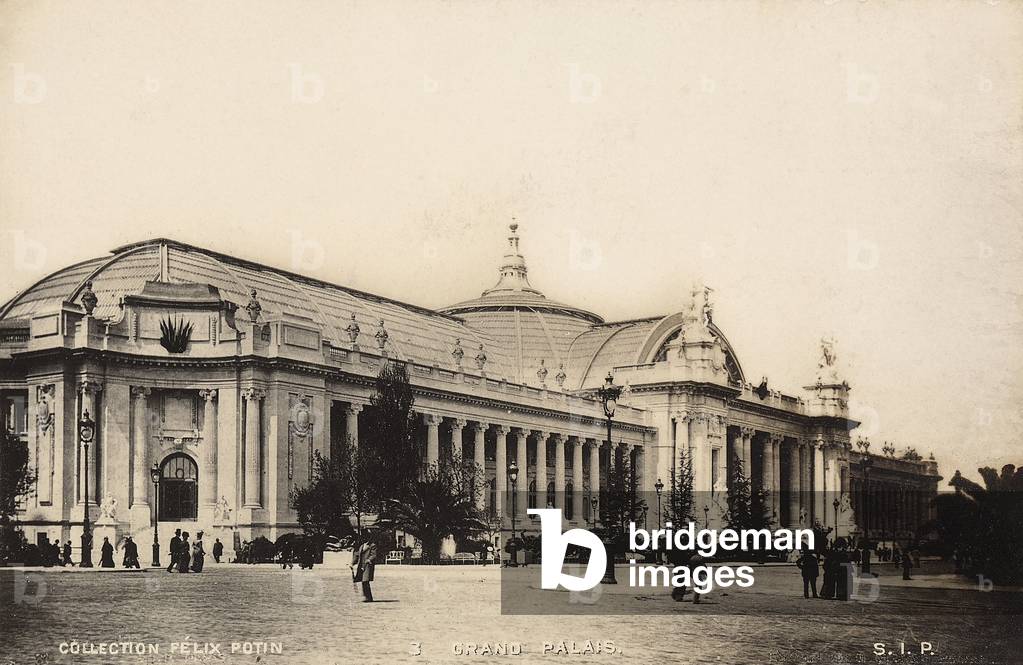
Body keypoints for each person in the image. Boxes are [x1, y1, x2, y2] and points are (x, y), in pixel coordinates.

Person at [352, 532, 378, 602]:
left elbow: (374, 555)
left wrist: (369, 559)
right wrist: (352, 563)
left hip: (368, 565)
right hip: (361, 565)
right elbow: (357, 555)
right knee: (363, 581)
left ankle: (368, 597)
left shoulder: (372, 545)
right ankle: (366, 596)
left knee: (365, 581)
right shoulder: (361, 546)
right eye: (363, 537)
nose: (364, 538)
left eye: (366, 537)